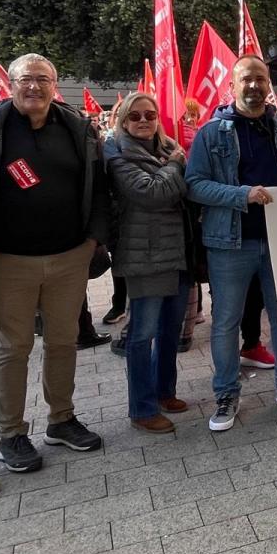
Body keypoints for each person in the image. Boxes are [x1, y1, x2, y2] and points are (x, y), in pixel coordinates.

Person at [0, 53, 110, 472]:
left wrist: (92, 241)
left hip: (69, 257)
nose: (34, 86)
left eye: (42, 79)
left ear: (54, 84)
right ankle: (11, 433)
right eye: (25, 79)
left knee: (64, 341)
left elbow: (98, 187)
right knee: (15, 347)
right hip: (6, 262)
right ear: (10, 84)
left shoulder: (79, 129)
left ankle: (61, 419)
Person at [186, 56, 277, 429]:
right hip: (231, 242)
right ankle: (226, 394)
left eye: (260, 78)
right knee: (226, 322)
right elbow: (194, 184)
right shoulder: (212, 133)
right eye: (246, 79)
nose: (254, 85)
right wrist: (241, 194)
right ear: (232, 86)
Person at [104, 92, 192, 434]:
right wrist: (175, 166)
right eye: (135, 115)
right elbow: (150, 193)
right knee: (142, 335)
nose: (143, 120)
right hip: (145, 255)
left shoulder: (168, 148)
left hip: (178, 252)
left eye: (150, 115)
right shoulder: (117, 153)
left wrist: (175, 164)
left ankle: (164, 391)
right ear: (124, 120)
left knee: (171, 329)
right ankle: (141, 409)